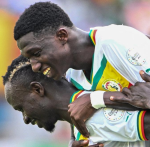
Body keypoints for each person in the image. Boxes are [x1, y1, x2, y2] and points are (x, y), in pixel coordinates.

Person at [14, 1, 150, 141]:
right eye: (29, 59)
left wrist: (95, 99)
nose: (34, 66)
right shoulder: (72, 76)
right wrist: (80, 140)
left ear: (62, 36)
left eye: (36, 54)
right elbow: (117, 120)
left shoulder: (117, 42)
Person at [3, 56, 150, 147]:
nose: (26, 119)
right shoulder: (81, 116)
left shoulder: (92, 120)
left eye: (21, 108)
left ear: (37, 89)